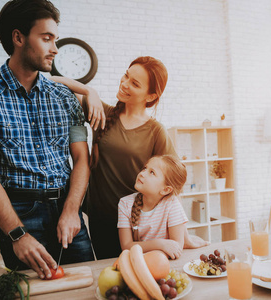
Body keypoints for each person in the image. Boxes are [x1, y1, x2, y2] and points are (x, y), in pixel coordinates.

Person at [0, 0, 93, 279]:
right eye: (46, 38)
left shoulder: (64, 98)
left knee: (88, 287)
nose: (55, 48)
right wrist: (18, 235)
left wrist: (72, 210)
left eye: (56, 39)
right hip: (19, 215)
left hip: (68, 212)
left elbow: (81, 160)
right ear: (18, 37)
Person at [51, 56, 209, 259]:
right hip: (102, 219)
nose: (125, 84)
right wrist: (90, 91)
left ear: (151, 96)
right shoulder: (103, 113)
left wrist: (183, 235)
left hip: (137, 225)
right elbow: (53, 81)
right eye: (126, 75)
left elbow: (173, 183)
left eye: (134, 83)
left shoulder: (156, 131)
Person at [118, 155, 188, 259]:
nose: (142, 173)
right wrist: (160, 244)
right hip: (140, 261)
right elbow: (126, 246)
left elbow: (176, 247)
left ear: (165, 190)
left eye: (152, 172)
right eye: (145, 168)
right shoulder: (125, 204)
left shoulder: (172, 204)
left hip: (164, 261)